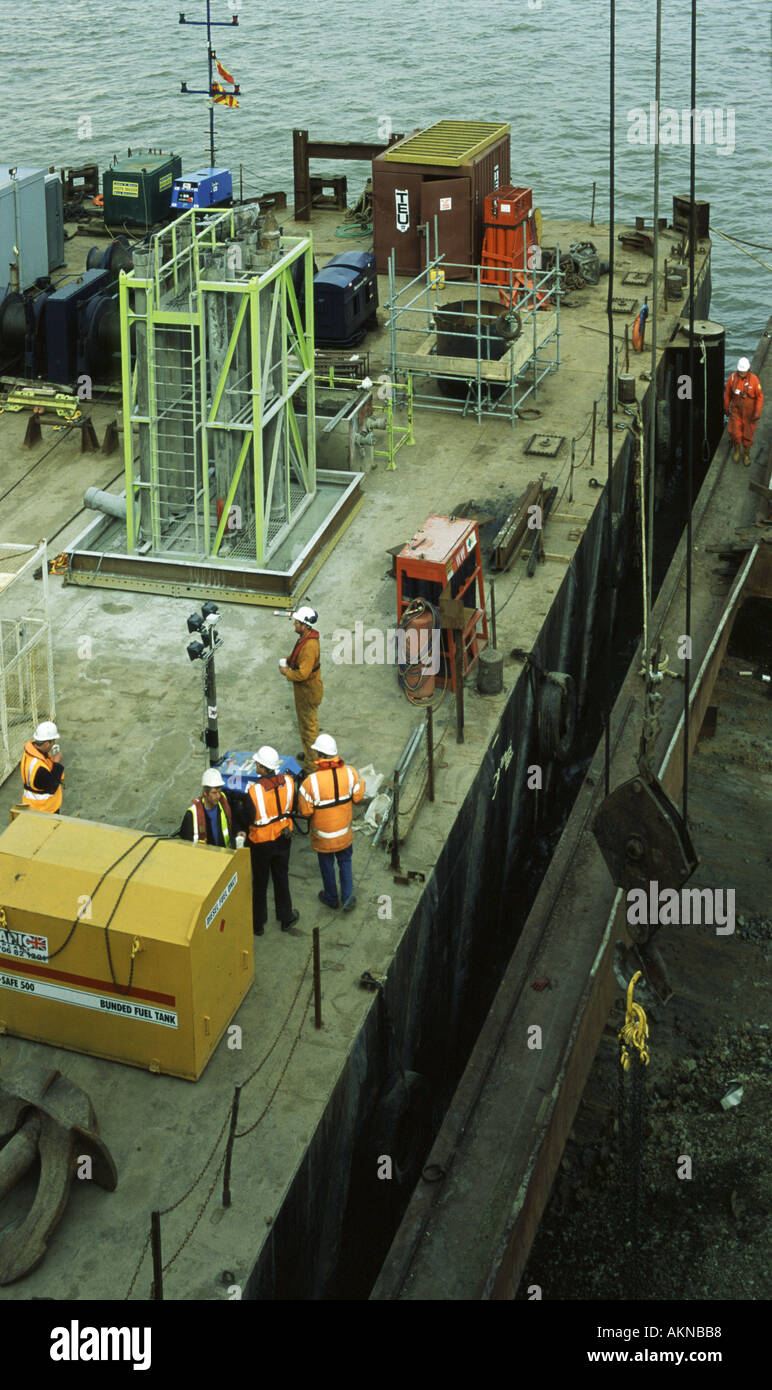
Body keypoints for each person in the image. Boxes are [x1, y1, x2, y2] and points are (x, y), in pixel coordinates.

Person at [299, 734, 365, 912]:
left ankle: (331, 897)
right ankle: (348, 897)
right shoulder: (350, 773)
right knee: (345, 861)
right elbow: (358, 796)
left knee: (326, 865)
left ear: (320, 755)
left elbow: (305, 812)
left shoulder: (309, 783)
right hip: (344, 834)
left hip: (323, 837)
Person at [246, 746, 299, 937]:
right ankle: (285, 918)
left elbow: (248, 818)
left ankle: (258, 924)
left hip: (261, 843)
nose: (256, 767)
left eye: (257, 764)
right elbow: (294, 805)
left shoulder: (254, 792)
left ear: (262, 768)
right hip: (283, 838)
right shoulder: (290, 782)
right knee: (281, 877)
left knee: (260, 883)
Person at [279, 605, 322, 775]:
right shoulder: (305, 638)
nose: (294, 625)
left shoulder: (310, 645)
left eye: (296, 622)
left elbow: (303, 673)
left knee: (309, 729)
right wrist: (289, 660)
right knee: (305, 727)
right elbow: (297, 655)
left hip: (308, 691)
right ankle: (309, 755)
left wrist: (287, 673)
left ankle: (312, 767)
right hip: (305, 691)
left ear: (304, 625)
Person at [179, 767, 239, 846]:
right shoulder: (192, 815)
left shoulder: (224, 801)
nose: (218, 796)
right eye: (214, 793)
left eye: (219, 791)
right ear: (205, 793)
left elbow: (232, 821)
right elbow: (185, 843)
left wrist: (238, 831)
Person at [724, 356, 764, 466]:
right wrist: (726, 408)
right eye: (740, 371)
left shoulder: (754, 380)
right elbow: (727, 395)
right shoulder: (732, 378)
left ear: (748, 370)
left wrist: (757, 412)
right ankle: (737, 450)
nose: (742, 373)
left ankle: (746, 454)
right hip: (736, 412)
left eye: (744, 371)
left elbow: (760, 398)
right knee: (734, 433)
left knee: (747, 436)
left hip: (749, 415)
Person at [21, 721, 64, 813]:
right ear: (47, 744)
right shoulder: (39, 769)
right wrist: (57, 764)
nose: (53, 745)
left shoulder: (30, 753)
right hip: (44, 809)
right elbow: (52, 786)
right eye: (53, 742)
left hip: (32, 805)